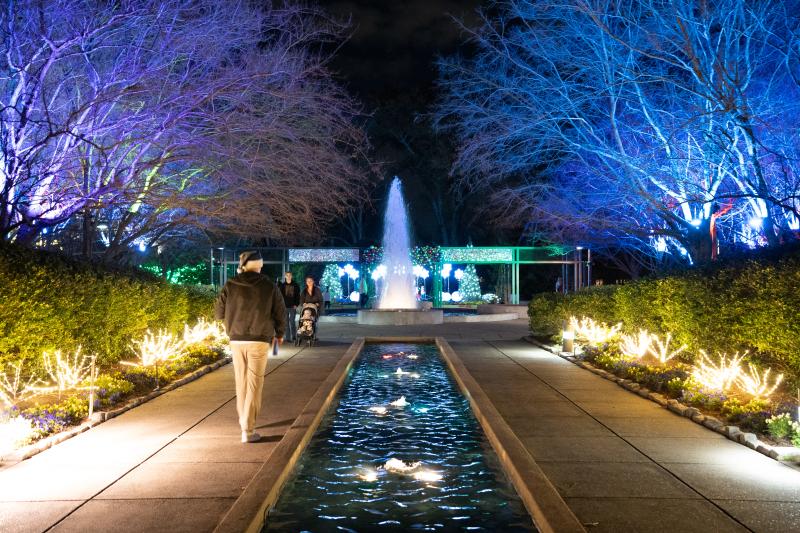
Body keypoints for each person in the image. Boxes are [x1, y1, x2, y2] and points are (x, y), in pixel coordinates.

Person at [214, 250, 286, 444]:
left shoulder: (230, 285)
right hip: (259, 340)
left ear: (243, 265)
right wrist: (279, 334)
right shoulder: (269, 286)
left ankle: (244, 421)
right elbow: (280, 312)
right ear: (260, 266)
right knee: (255, 383)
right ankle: (248, 428)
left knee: (241, 382)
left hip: (236, 339)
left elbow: (218, 313)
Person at [278, 271, 300, 342]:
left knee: (292, 322)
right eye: (287, 275)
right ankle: (288, 338)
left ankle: (294, 336)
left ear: (291, 276)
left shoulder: (295, 285)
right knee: (286, 323)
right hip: (284, 307)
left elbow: (297, 296)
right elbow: (280, 296)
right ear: (285, 276)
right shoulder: (282, 286)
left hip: (292, 307)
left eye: (290, 275)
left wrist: (296, 304)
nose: (288, 276)